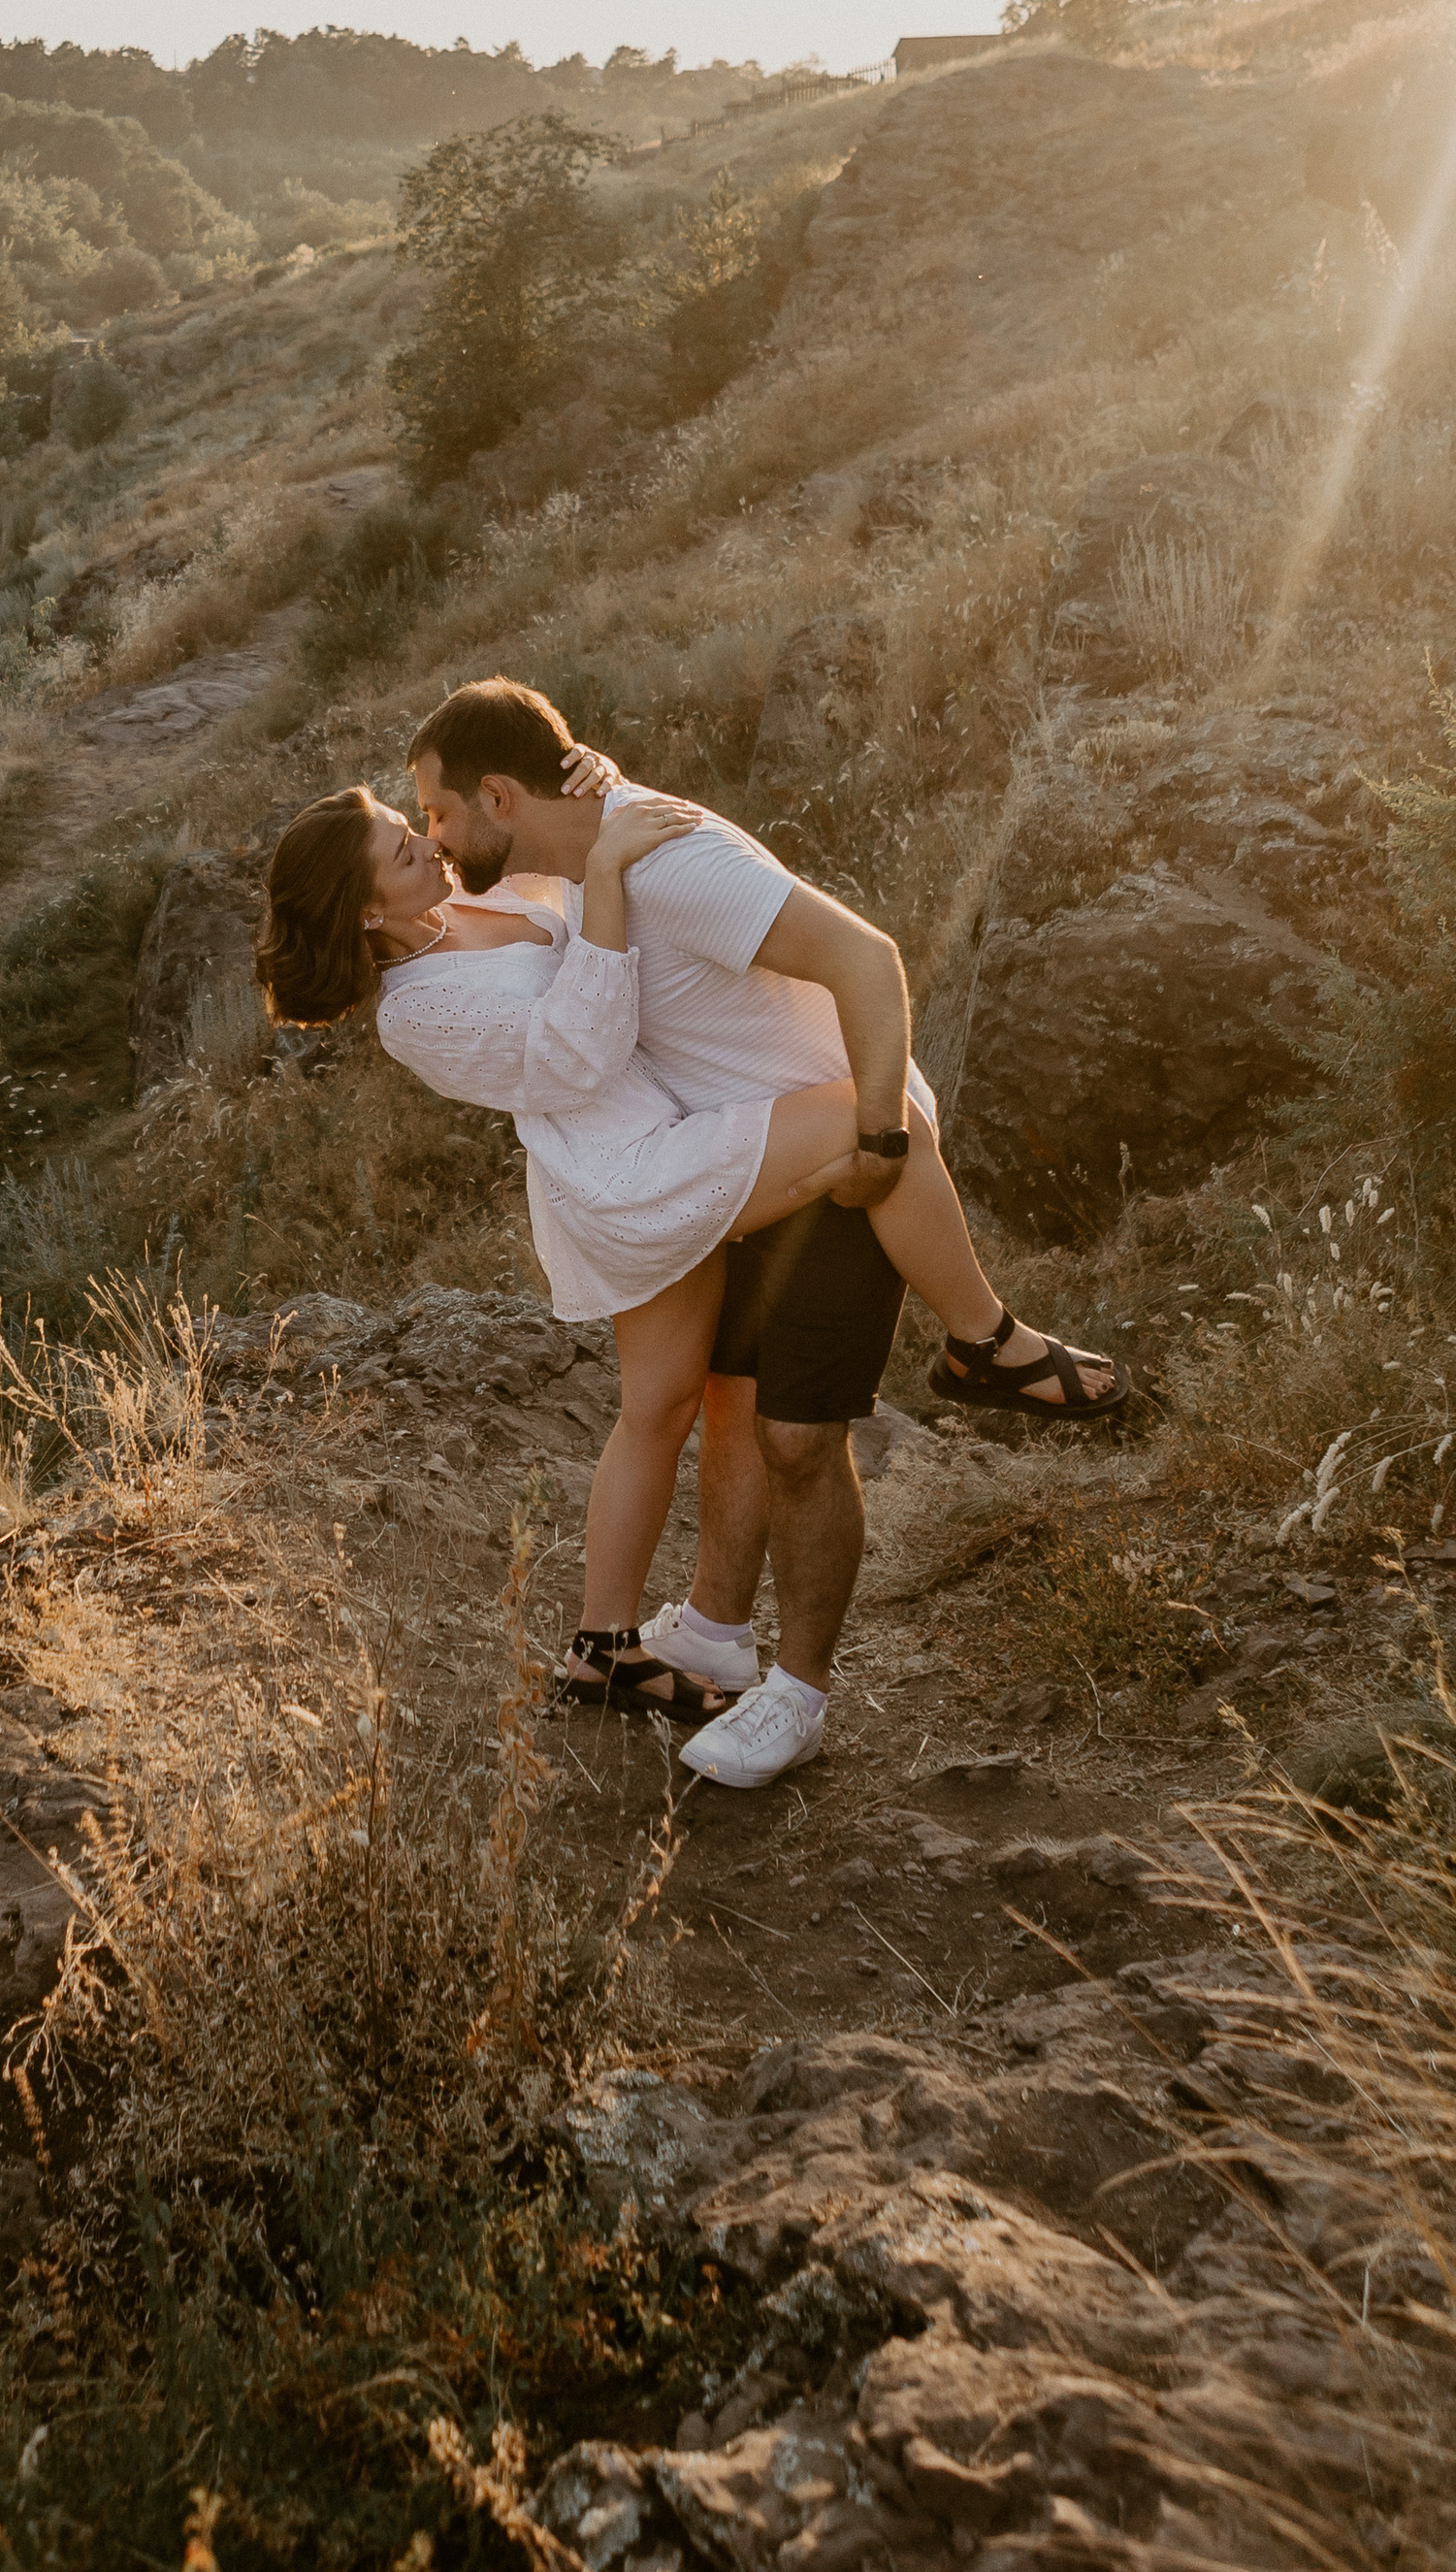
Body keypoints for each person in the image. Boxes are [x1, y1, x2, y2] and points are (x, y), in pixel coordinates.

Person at [256, 678, 1123, 1791]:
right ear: (366, 909)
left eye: (418, 814)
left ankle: (611, 1645)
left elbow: (558, 821)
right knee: (882, 1126)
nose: (422, 835)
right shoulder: (417, 1010)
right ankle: (983, 1339)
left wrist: (594, 780)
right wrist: (610, 871)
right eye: (399, 838)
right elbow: (581, 1053)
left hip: (681, 1138)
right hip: (634, 1175)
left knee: (670, 1403)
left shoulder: (483, 890)